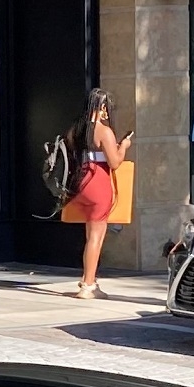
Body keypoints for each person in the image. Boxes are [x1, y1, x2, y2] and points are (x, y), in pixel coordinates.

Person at [66, 88, 130, 299]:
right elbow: (114, 162)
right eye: (106, 108)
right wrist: (124, 146)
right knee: (96, 237)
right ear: (102, 108)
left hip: (80, 183)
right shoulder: (104, 131)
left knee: (89, 236)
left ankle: (88, 279)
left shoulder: (76, 129)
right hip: (98, 184)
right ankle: (88, 285)